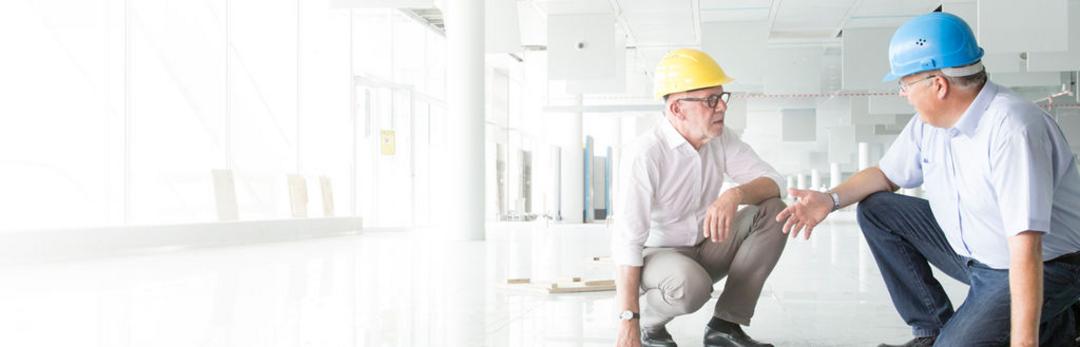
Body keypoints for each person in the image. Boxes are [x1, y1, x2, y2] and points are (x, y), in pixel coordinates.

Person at [776, 12, 1080, 347]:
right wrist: (829, 200)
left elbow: (1027, 246)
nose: (902, 94)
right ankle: (931, 330)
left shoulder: (1013, 129)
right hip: (976, 255)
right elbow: (885, 175)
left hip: (1043, 266)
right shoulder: (929, 125)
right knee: (879, 209)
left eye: (905, 83)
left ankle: (1058, 321)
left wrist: (1023, 342)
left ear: (938, 84)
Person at [612, 48, 788, 347]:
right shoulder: (645, 154)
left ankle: (725, 326)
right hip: (658, 256)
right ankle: (649, 326)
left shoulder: (720, 138)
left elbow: (777, 182)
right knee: (691, 286)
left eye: (722, 97)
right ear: (678, 109)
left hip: (706, 245)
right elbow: (627, 241)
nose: (722, 107)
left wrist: (736, 194)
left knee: (774, 211)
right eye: (711, 100)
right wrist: (628, 320)